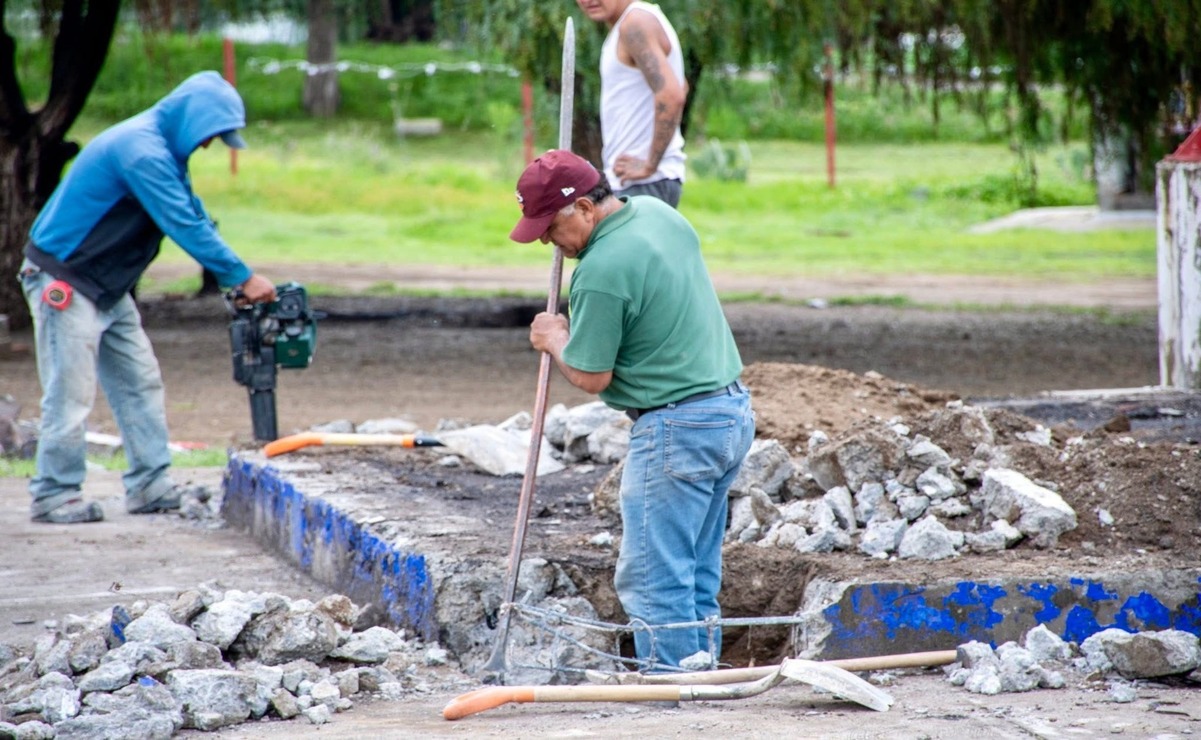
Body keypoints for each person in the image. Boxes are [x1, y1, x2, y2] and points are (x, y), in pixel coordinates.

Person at [512, 149, 755, 669]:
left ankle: (674, 692)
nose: (545, 242)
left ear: (582, 207)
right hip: (729, 412)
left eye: (549, 227)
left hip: (677, 427)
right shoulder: (657, 214)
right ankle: (702, 678)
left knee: (653, 576)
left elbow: (592, 375)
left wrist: (555, 339)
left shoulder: (601, 270)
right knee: (693, 568)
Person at [18, 70, 277, 524]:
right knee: (70, 391)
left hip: (103, 285)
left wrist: (235, 279)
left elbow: (193, 213)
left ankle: (150, 486)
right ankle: (54, 494)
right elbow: (182, 223)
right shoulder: (141, 149)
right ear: (191, 119)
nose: (209, 145)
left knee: (140, 382)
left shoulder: (162, 152)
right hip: (65, 280)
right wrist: (242, 276)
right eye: (211, 135)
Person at [577, 0, 688, 207]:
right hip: (636, 180)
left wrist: (650, 165)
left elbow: (672, 94)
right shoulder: (628, 24)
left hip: (644, 183)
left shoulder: (635, 23)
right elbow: (682, 86)